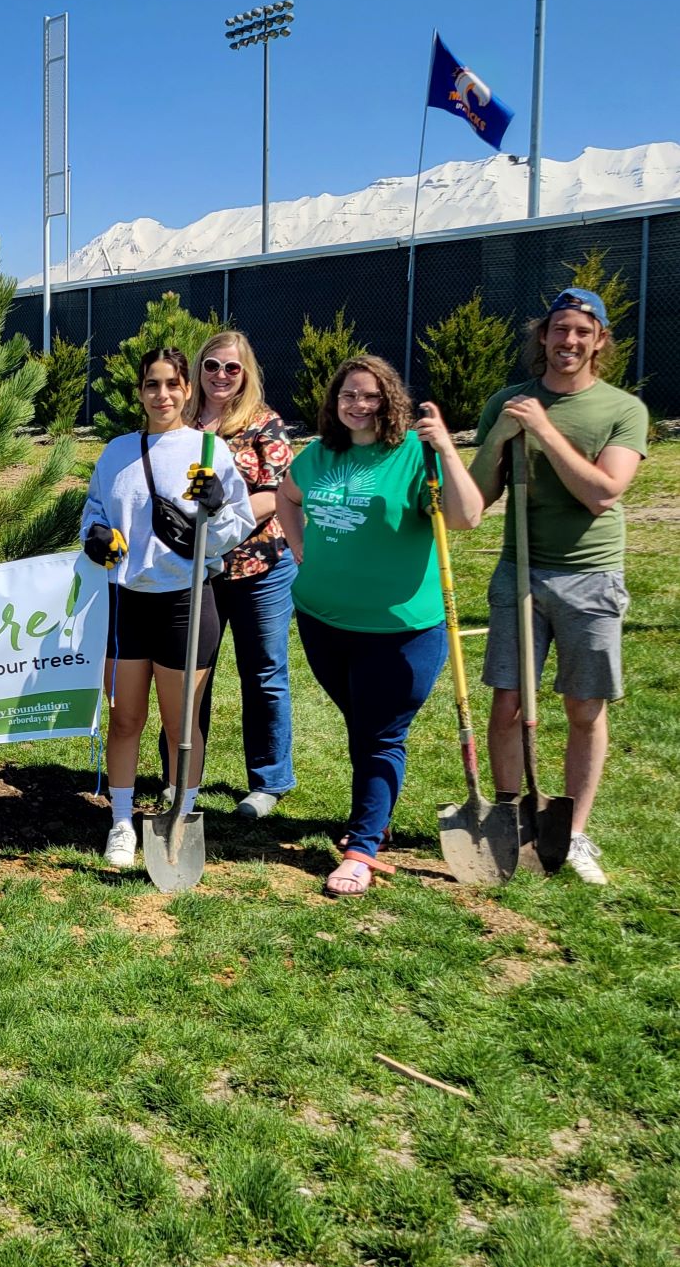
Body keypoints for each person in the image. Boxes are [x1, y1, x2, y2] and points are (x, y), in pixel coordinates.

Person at [278, 356, 481, 898]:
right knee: (365, 727)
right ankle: (376, 815)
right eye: (348, 395)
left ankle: (362, 848)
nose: (358, 405)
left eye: (369, 396)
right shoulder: (320, 454)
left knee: (381, 733)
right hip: (322, 620)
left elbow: (466, 517)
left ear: (390, 400)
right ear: (334, 402)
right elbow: (287, 497)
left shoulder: (414, 455)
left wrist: (448, 451)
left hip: (400, 631)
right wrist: (300, 549)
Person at [468, 287, 648, 885]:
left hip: (590, 576)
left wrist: (544, 430)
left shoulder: (622, 409)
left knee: (583, 705)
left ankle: (573, 833)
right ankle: (512, 823)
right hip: (518, 571)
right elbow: (477, 498)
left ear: (599, 341)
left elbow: (602, 493)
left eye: (582, 332)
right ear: (542, 337)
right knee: (507, 703)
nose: (569, 341)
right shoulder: (507, 401)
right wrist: (498, 437)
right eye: (559, 330)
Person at [81, 347, 255, 869]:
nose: (163, 395)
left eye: (173, 385)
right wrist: (95, 535)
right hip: (127, 602)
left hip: (186, 600)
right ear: (140, 392)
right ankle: (120, 822)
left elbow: (234, 527)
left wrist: (220, 503)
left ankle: (182, 813)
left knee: (183, 725)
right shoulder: (116, 453)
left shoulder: (208, 450)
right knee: (125, 718)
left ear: (187, 391)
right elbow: (95, 509)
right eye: (152, 385)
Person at [182, 331, 298, 818]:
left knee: (264, 672)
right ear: (198, 370)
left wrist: (218, 529)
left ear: (246, 372)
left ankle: (269, 782)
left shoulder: (264, 424)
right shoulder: (181, 424)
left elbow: (276, 494)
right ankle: (183, 779)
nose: (222, 376)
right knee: (190, 675)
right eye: (212, 366)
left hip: (258, 566)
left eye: (232, 368)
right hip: (195, 573)